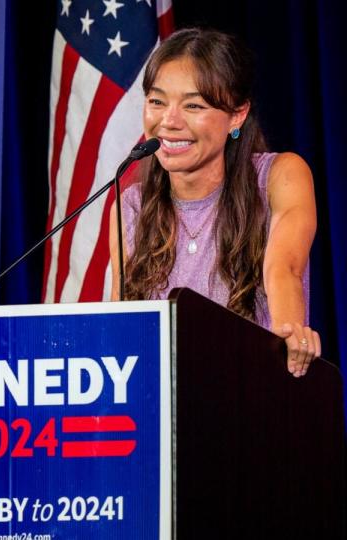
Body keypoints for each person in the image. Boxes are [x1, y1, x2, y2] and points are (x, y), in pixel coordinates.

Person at [108, 28, 320, 377]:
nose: (169, 122)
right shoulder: (130, 204)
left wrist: (288, 336)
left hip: (253, 394)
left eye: (193, 105)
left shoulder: (279, 177)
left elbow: (284, 268)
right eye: (157, 101)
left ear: (236, 115)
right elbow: (120, 324)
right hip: (161, 408)